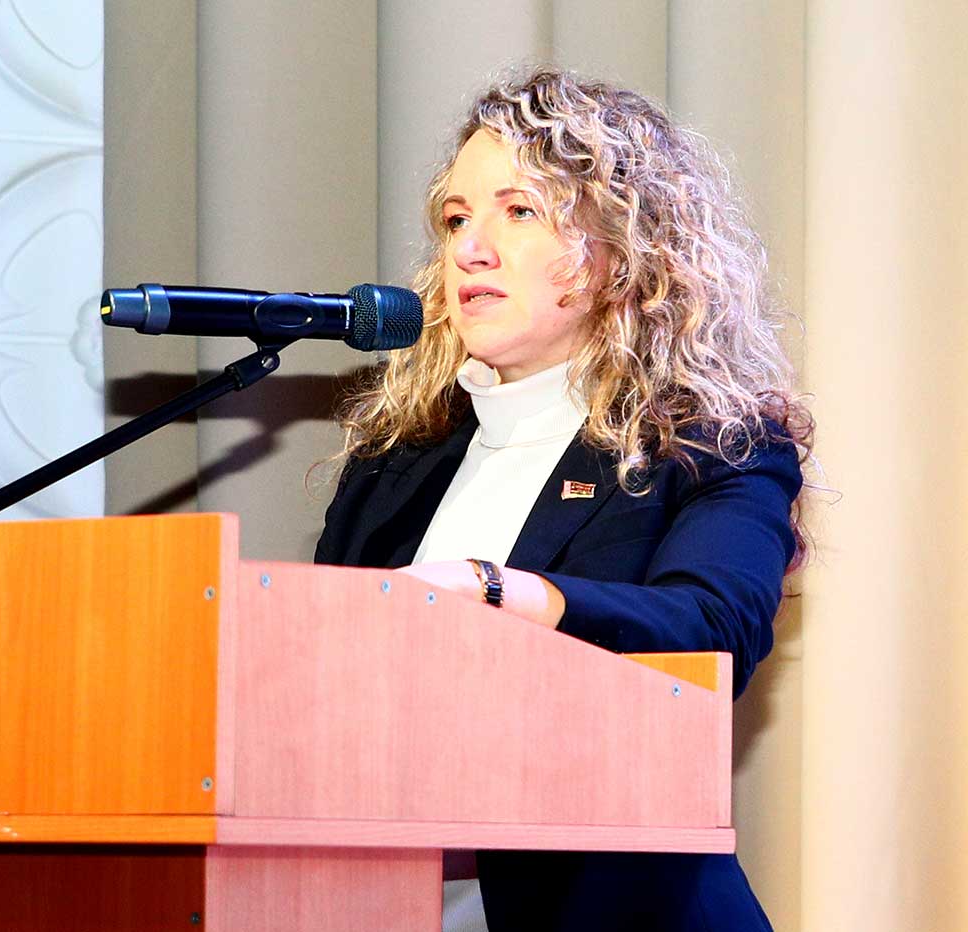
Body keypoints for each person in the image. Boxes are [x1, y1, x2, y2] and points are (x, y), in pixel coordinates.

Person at [314, 67, 813, 932]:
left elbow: (711, 628)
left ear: (622, 250)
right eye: (457, 219)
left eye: (519, 211)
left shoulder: (710, 446)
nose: (471, 249)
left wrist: (496, 590)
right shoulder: (396, 460)